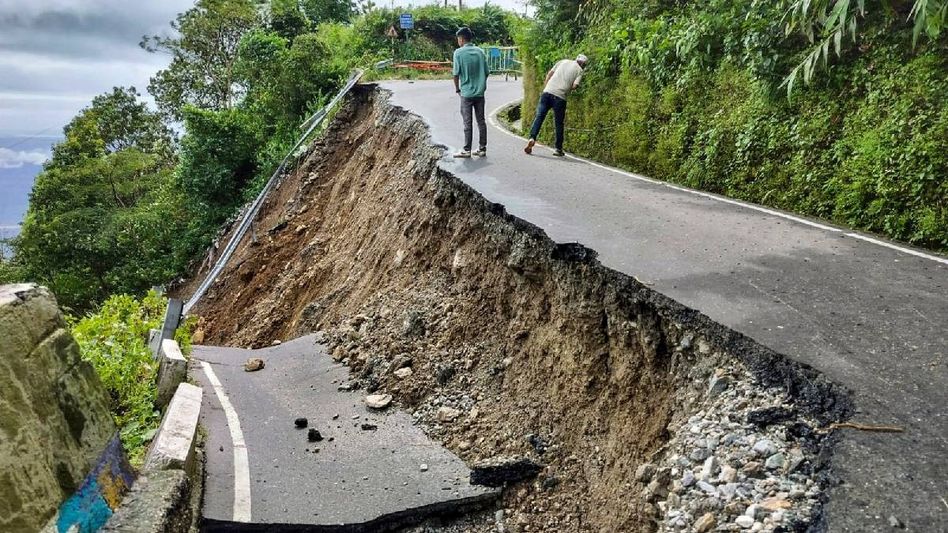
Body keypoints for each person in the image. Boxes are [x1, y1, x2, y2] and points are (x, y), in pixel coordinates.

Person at [524, 54, 588, 157]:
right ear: (583, 64)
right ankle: (558, 149)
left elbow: (550, 74)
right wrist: (568, 88)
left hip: (547, 92)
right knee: (559, 123)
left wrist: (546, 86)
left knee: (539, 117)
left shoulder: (563, 61)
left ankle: (532, 137)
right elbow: (575, 85)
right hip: (560, 97)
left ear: (576, 59)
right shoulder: (580, 70)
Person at [452, 27, 489, 158]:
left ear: (461, 39)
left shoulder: (458, 53)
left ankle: (467, 149)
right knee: (481, 121)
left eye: (458, 39)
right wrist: (480, 84)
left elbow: (456, 74)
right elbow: (486, 72)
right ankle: (482, 148)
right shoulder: (480, 52)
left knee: (467, 122)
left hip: (466, 93)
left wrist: (458, 89)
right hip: (480, 93)